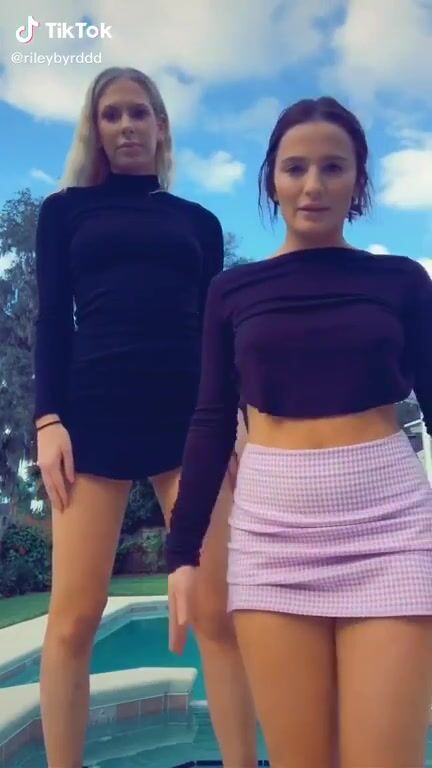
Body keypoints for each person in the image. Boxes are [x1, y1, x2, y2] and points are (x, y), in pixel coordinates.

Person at [166, 96, 432, 768]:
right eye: (295, 168)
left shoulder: (401, 281)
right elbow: (210, 420)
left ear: (358, 181)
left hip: (392, 530)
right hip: (273, 537)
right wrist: (183, 554)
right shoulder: (232, 292)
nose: (313, 184)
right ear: (272, 180)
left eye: (333, 167)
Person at [34, 66, 256, 768]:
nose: (126, 125)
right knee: (73, 621)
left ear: (161, 125)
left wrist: (236, 419)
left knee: (217, 613)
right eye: (111, 115)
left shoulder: (198, 223)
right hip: (91, 422)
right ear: (95, 129)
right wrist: (47, 420)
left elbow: (217, 335)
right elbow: (51, 321)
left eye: (139, 112)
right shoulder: (65, 212)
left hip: (190, 422)